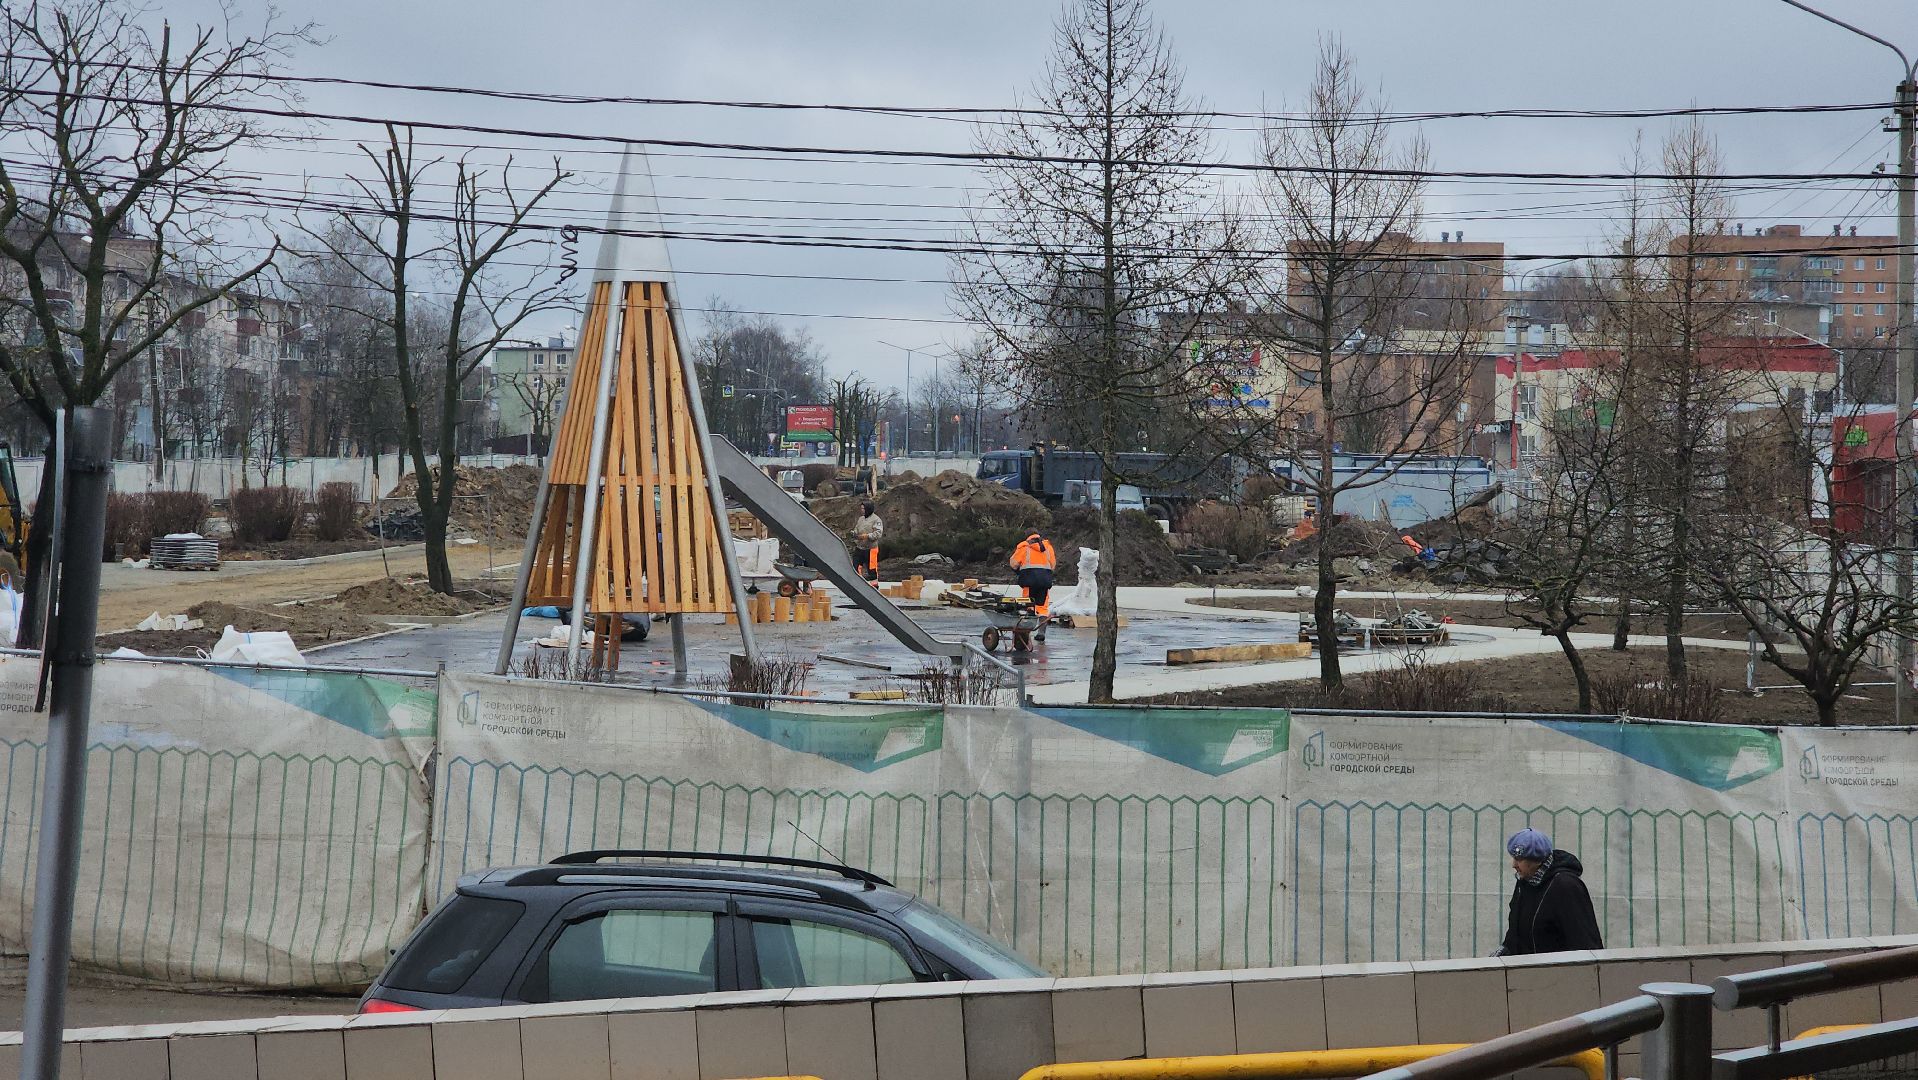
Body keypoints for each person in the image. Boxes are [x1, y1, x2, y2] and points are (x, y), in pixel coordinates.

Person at [1497, 828, 1603, 956]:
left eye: (1519, 859)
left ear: (1536, 859)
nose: (1513, 864)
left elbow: (1584, 940)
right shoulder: (1524, 882)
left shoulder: (1566, 886)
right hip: (1528, 972)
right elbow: (1516, 934)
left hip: (1558, 972)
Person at [1008, 531, 1058, 623]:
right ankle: (1041, 633)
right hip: (1044, 582)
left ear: (1027, 537)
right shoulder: (1048, 547)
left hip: (1029, 582)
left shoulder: (1024, 547)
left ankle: (1027, 630)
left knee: (1028, 605)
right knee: (1042, 608)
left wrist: (1018, 572)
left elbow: (1013, 564)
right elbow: (1053, 566)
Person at [852, 501, 884, 582]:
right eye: (861, 508)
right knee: (855, 567)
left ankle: (874, 586)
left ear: (868, 509)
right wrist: (854, 533)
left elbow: (878, 533)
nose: (862, 510)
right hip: (860, 547)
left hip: (871, 548)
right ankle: (858, 583)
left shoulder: (876, 520)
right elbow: (857, 529)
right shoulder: (861, 519)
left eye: (863, 508)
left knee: (872, 569)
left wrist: (867, 536)